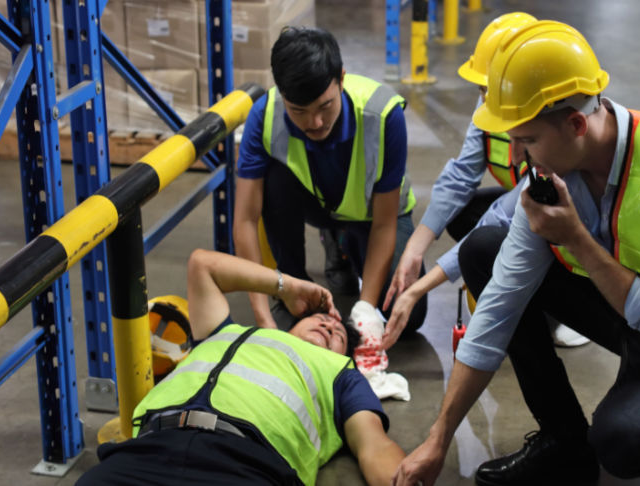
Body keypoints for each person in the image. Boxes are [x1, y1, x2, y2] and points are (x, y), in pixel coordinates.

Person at [392, 20, 640, 486]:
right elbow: (496, 312)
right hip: (634, 316)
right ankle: (564, 443)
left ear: (575, 124)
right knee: (486, 252)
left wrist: (577, 240)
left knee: (624, 441)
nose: (520, 157)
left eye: (527, 140)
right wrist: (439, 437)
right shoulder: (552, 178)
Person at [77, 249, 405, 486]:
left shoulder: (341, 373)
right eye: (321, 320)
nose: (329, 329)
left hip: (245, 461)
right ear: (291, 326)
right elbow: (202, 264)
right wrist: (288, 286)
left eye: (337, 336)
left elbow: (374, 447)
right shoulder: (223, 332)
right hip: (149, 449)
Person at [382, 13, 588, 350]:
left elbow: (503, 214)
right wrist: (416, 247)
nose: (482, 97)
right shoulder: (493, 103)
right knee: (467, 214)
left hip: (562, 218)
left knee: (512, 230)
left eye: (486, 88)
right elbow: (463, 173)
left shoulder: (552, 125)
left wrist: (421, 287)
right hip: (521, 203)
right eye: (481, 89)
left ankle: (568, 308)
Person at [233, 26, 427, 336]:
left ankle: (342, 242)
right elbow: (244, 220)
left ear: (341, 78)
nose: (316, 122)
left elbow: (384, 224)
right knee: (272, 176)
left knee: (408, 314)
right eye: (299, 111)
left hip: (372, 214)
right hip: (315, 202)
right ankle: (294, 285)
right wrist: (263, 313)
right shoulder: (264, 115)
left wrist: (365, 308)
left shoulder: (384, 115)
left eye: (325, 106)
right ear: (283, 94)